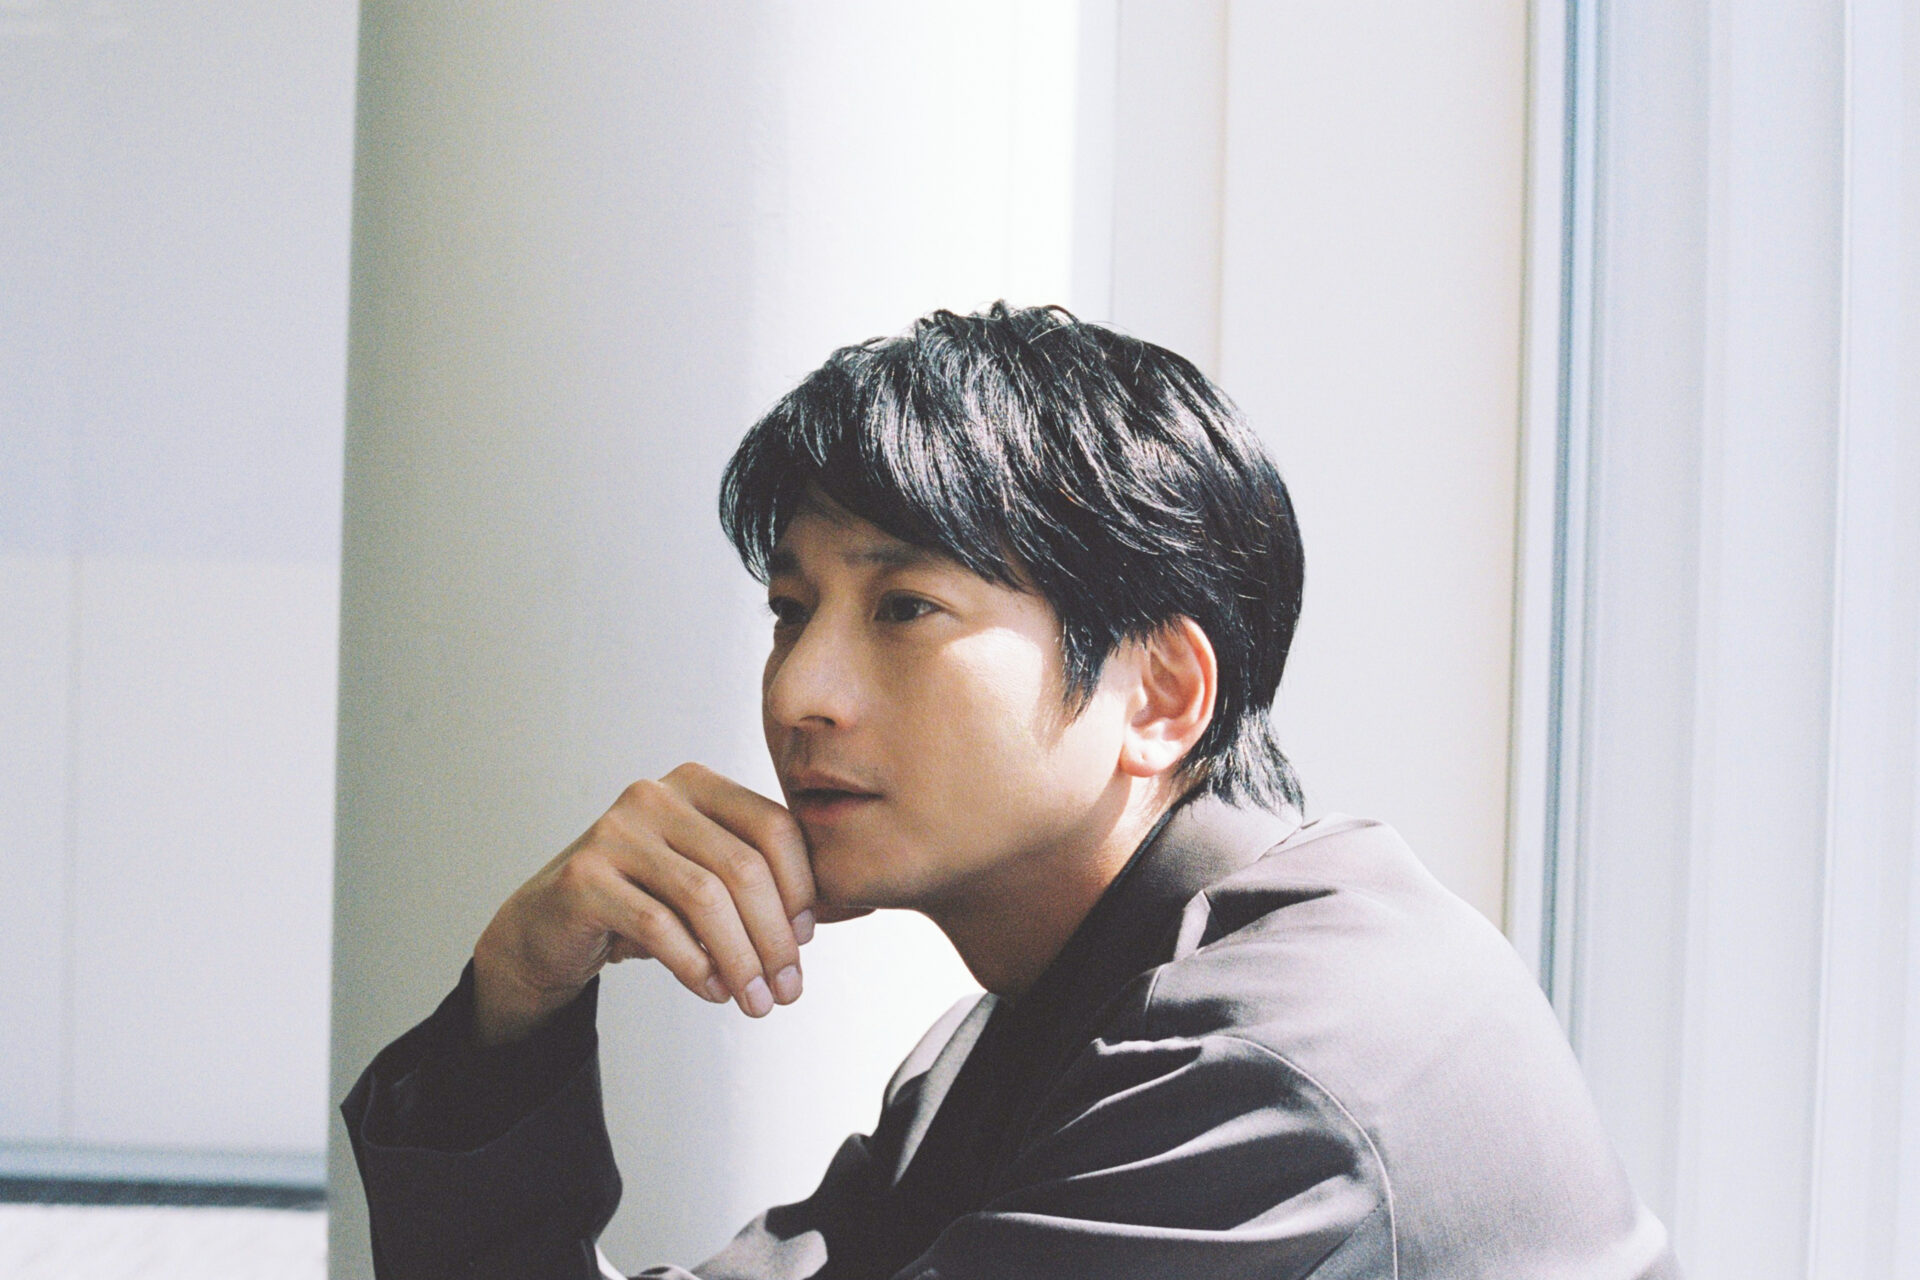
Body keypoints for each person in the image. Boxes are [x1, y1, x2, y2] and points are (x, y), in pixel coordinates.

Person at [342, 304, 1678, 1279]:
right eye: (791, 610)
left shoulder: (1278, 1060)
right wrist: (517, 993)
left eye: (905, 607)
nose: (800, 691)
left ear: (1160, 695)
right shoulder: (1034, 1026)